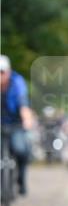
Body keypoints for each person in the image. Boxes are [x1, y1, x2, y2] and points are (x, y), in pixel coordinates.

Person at [0, 55, 35, 195]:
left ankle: (21, 179)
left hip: (16, 123)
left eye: (2, 72)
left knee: (21, 149)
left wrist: (27, 119)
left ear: (8, 71)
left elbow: (23, 103)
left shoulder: (17, 83)